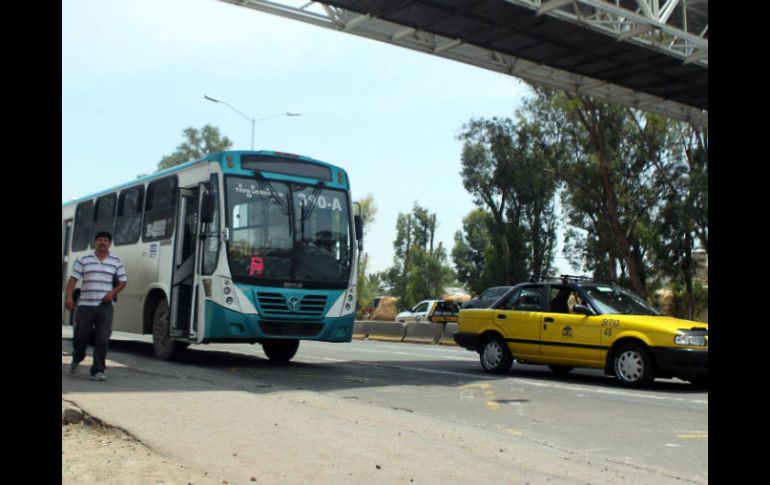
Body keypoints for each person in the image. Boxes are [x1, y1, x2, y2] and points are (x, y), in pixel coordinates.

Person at [65, 231, 127, 381]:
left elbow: (123, 282)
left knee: (102, 338)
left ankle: (98, 370)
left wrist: (113, 293)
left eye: (105, 240)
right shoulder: (84, 259)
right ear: (95, 242)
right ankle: (77, 357)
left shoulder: (116, 261)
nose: (102, 242)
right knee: (81, 336)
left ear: (109, 243)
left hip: (105, 306)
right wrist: (68, 297)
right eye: (100, 240)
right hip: (86, 305)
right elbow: (73, 279)